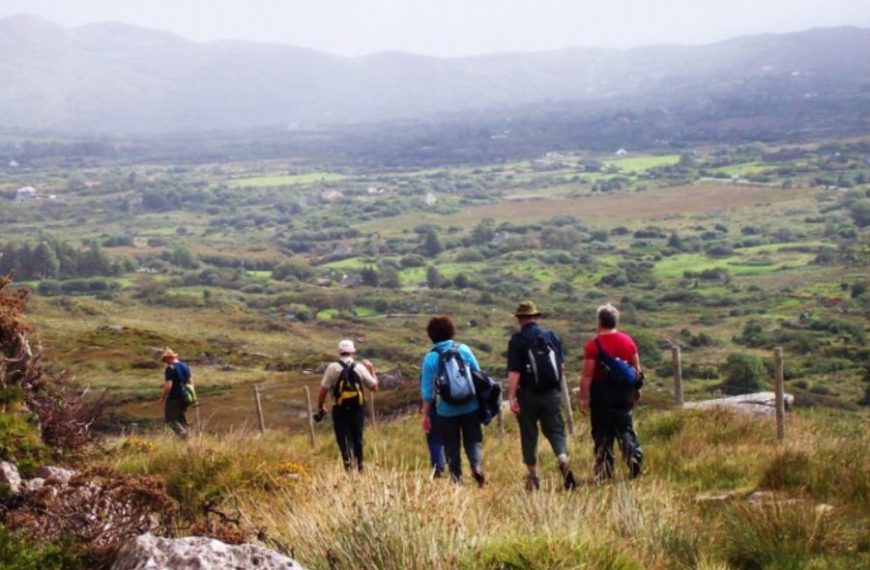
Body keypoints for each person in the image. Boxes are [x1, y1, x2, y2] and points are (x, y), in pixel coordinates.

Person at [506, 301, 576, 491]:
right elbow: (560, 367)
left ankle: (534, 477)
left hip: (527, 394)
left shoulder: (517, 340)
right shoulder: (551, 336)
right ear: (536, 317)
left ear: (520, 319)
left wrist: (511, 397)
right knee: (555, 430)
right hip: (550, 393)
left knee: (529, 434)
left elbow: (514, 373)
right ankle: (562, 458)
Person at [578, 304, 644, 482]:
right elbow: (636, 369)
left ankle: (604, 472)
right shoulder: (628, 341)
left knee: (602, 433)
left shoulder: (593, 345)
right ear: (615, 321)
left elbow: (587, 374)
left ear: (599, 321)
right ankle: (633, 459)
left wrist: (584, 397)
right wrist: (637, 390)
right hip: (624, 393)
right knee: (625, 428)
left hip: (602, 393)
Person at [420, 315, 485, 486]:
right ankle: (477, 467)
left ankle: (456, 479)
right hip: (470, 405)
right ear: (451, 331)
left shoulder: (430, 358)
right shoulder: (464, 349)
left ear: (431, 335)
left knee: (451, 444)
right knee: (473, 439)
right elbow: (478, 374)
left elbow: (427, 392)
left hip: (445, 409)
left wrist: (426, 414)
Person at [317, 339, 378, 471]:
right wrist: (372, 369)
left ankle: (348, 467)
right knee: (358, 438)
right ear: (353, 352)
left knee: (344, 440)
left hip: (340, 410)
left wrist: (320, 406)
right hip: (358, 409)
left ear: (339, 352)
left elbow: (323, 391)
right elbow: (374, 387)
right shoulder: (360, 367)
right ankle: (360, 466)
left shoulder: (332, 368)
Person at [158, 347, 192, 439]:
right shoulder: (185, 366)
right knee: (181, 418)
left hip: (174, 397)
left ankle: (183, 434)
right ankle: (189, 437)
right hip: (185, 397)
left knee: (171, 420)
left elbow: (169, 385)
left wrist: (163, 397)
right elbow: (190, 382)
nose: (165, 362)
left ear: (169, 358)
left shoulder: (170, 369)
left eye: (165, 360)